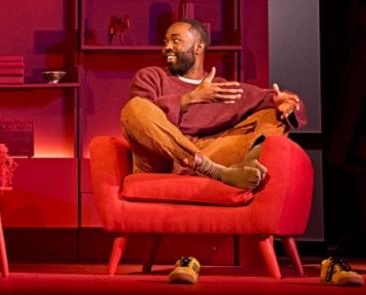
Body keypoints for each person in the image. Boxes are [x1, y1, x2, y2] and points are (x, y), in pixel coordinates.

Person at [120, 18, 307, 190]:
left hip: (212, 152)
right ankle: (214, 171)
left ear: (198, 47)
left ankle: (249, 165)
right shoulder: (151, 77)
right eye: (165, 42)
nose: (167, 47)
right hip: (162, 159)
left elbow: (277, 99)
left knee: (273, 113)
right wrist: (192, 98)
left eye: (175, 40)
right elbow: (142, 121)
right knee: (134, 107)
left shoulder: (221, 89)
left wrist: (287, 103)